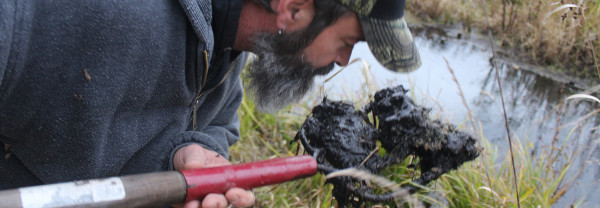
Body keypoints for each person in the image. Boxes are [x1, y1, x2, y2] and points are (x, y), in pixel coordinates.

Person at [0, 0, 420, 207]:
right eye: (347, 42)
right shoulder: (85, 13)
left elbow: (215, 123)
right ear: (293, 7)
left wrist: (187, 151)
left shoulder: (228, 47)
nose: (344, 60)